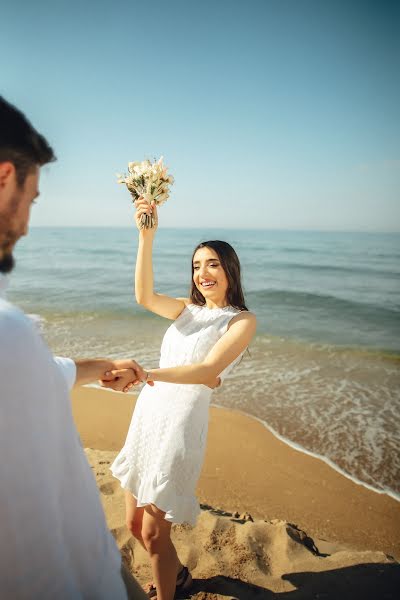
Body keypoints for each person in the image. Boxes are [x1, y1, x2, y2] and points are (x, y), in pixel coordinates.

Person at [0, 96, 148, 599]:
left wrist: (102, 367)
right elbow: (32, 558)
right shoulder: (9, 335)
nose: (25, 224)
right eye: (32, 197)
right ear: (4, 180)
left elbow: (43, 373)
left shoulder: (15, 348)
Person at [102, 198, 257, 600]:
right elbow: (142, 295)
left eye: (212, 264)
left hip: (180, 425)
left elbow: (208, 372)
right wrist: (145, 235)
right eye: (196, 265)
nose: (203, 273)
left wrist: (147, 373)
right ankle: (179, 577)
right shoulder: (186, 309)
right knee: (135, 526)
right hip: (150, 414)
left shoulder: (241, 320)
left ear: (229, 270)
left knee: (154, 531)